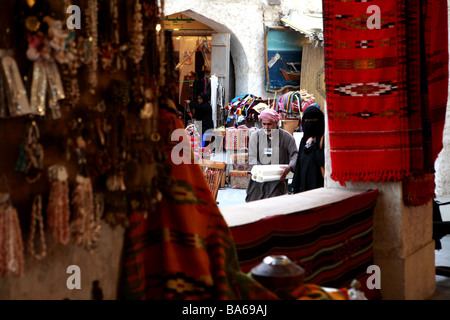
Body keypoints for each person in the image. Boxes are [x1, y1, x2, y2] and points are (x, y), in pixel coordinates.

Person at [245, 108, 298, 202]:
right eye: (264, 124)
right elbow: (252, 158)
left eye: (269, 124)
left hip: (277, 181)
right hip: (258, 181)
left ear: (276, 123)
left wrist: (289, 167)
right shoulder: (255, 137)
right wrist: (262, 171)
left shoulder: (286, 137)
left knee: (274, 209)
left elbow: (295, 155)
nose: (266, 127)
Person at [291, 103, 325, 193]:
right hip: (304, 189)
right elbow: (299, 164)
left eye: (313, 120)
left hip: (320, 188)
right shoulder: (304, 140)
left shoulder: (324, 140)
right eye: (307, 120)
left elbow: (323, 160)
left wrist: (313, 145)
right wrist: (295, 186)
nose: (309, 124)